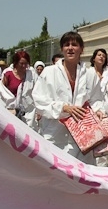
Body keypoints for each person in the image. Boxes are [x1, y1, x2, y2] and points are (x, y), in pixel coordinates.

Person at [32, 31, 99, 165]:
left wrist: (98, 111)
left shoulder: (90, 75)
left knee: (82, 177)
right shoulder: (49, 72)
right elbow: (39, 100)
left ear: (81, 49)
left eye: (74, 45)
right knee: (56, 178)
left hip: (83, 137)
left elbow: (98, 99)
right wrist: (63, 108)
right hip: (56, 135)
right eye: (66, 44)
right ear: (62, 49)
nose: (70, 48)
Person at [0, 50, 38, 130]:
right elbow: (1, 92)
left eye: (26, 63)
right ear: (16, 63)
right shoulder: (8, 75)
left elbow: (37, 92)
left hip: (28, 113)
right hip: (11, 112)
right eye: (21, 63)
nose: (24, 66)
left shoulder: (31, 75)